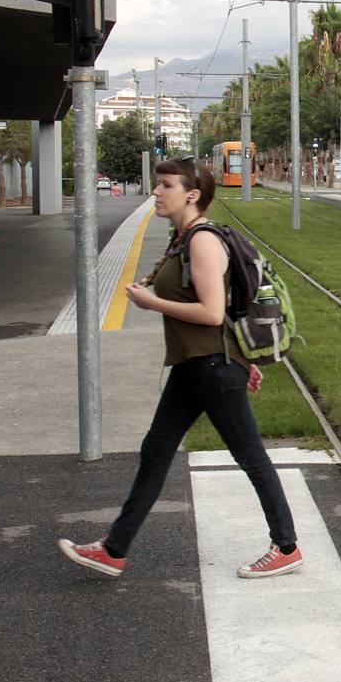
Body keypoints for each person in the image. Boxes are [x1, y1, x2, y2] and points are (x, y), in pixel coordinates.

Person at [58, 158, 302, 579]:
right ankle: (114, 549)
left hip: (211, 367)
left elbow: (210, 312)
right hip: (196, 366)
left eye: (166, 185)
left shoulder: (202, 240)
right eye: (158, 184)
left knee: (251, 457)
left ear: (191, 195)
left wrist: (151, 302)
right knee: (155, 450)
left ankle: (286, 546)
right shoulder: (182, 237)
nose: (157, 191)